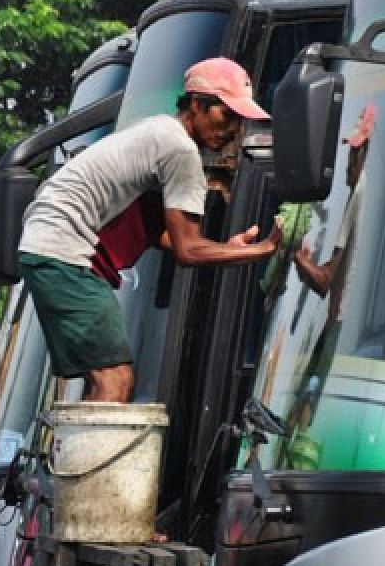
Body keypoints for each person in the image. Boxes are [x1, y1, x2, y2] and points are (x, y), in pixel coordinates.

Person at [18, 57, 283, 403]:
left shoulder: (158, 130)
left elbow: (168, 237)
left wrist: (226, 247)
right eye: (227, 115)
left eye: (239, 120)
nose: (233, 129)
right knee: (116, 380)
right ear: (197, 106)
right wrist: (258, 251)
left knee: (101, 379)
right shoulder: (180, 150)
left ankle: (73, 454)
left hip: (47, 245)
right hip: (63, 251)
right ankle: (95, 460)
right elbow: (189, 251)